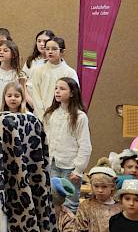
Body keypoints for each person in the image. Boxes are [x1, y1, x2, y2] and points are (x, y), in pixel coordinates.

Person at [44, 77, 92, 212]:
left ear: (72, 93)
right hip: (53, 163)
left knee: (70, 202)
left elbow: (85, 145)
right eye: (56, 88)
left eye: (62, 89)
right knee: (52, 200)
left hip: (70, 167)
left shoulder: (80, 116)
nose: (57, 91)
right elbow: (47, 139)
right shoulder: (51, 113)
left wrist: (78, 169)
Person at [29, 37, 79, 119]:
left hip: (63, 117)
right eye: (47, 49)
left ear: (62, 51)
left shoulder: (70, 72)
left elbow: (74, 96)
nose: (50, 52)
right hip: (42, 116)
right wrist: (43, 116)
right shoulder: (38, 71)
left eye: (54, 49)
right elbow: (36, 96)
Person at [76, 158, 121, 232]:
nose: (100, 190)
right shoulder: (86, 205)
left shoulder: (120, 207)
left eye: (104, 186)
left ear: (112, 186)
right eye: (96, 186)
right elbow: (80, 227)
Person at [0, 40, 28, 111]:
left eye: (5, 51)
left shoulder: (19, 75)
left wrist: (22, 110)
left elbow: (23, 96)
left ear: (13, 55)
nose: (1, 52)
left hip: (11, 111)